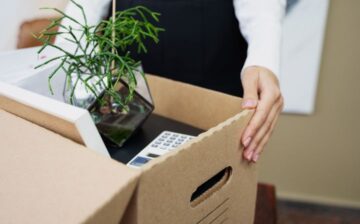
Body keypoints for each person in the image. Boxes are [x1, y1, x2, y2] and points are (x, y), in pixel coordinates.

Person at [57, 0, 285, 163]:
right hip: (129, 87)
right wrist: (64, 64)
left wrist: (263, 60)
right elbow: (83, 12)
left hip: (213, 73)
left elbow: (262, 10)